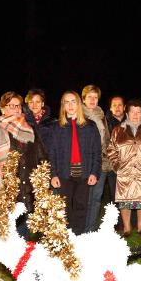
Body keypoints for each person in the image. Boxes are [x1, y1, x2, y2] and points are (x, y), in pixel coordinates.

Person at [0, 91, 48, 238]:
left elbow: (41, 156)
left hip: (27, 189)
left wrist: (41, 178)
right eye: (11, 106)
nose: (16, 109)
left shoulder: (30, 129)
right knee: (6, 234)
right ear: (3, 108)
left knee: (23, 233)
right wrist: (4, 174)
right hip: (4, 189)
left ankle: (21, 260)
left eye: (18, 106)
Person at [48, 91, 101, 235]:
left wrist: (94, 173)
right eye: (67, 102)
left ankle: (79, 235)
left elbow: (97, 152)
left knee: (81, 205)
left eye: (73, 102)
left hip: (84, 173)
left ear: (79, 104)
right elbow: (51, 153)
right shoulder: (56, 127)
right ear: (63, 105)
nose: (70, 105)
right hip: (64, 173)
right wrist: (53, 175)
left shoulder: (90, 126)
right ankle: (67, 236)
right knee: (65, 207)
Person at [107, 99, 141, 236]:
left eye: (139, 112)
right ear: (127, 113)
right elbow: (111, 150)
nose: (136, 115)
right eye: (133, 112)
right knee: (125, 201)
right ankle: (126, 228)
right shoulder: (118, 130)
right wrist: (117, 165)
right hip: (125, 170)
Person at [81, 85, 111, 232]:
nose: (93, 100)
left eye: (95, 97)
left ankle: (91, 229)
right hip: (85, 163)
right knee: (85, 197)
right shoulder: (79, 115)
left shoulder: (101, 114)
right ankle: (81, 228)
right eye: (90, 97)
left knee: (96, 197)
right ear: (83, 99)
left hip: (102, 162)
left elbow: (106, 139)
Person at [105, 95, 126, 213]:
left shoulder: (130, 121)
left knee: (128, 192)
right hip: (112, 163)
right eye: (114, 105)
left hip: (128, 163)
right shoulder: (106, 122)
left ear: (124, 107)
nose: (117, 108)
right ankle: (116, 222)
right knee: (114, 193)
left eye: (120, 105)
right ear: (110, 108)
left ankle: (131, 222)